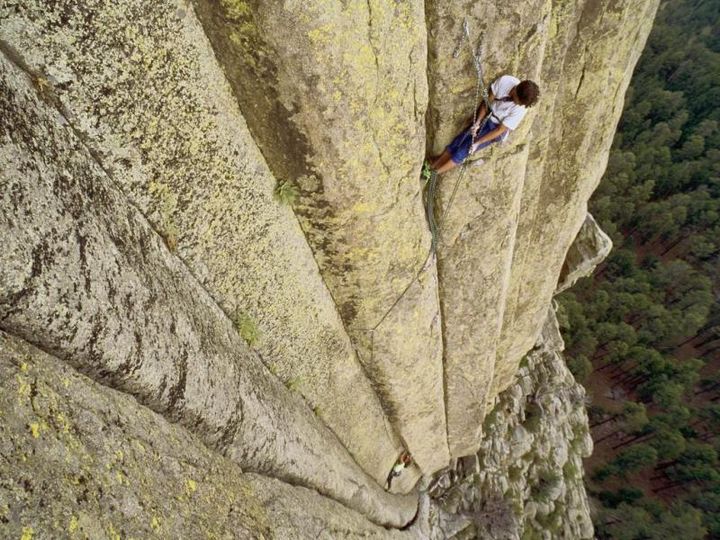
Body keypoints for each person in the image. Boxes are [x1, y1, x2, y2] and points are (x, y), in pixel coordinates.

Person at [430, 75, 540, 174]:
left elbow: (499, 130)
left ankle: (435, 173)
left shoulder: (520, 109)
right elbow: (486, 104)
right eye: (518, 101)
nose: (518, 104)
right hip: (488, 116)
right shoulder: (505, 81)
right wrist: (477, 123)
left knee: (465, 149)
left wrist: (478, 143)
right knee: (459, 140)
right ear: (515, 91)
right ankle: (433, 165)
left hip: (496, 128)